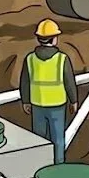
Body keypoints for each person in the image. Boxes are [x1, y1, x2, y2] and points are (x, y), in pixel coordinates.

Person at [20, 18, 77, 164]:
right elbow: (69, 82)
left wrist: (25, 100)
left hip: (37, 103)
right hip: (57, 105)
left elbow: (24, 82)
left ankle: (40, 166)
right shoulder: (62, 59)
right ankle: (58, 167)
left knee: (39, 139)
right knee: (58, 139)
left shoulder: (30, 58)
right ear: (54, 39)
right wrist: (74, 100)